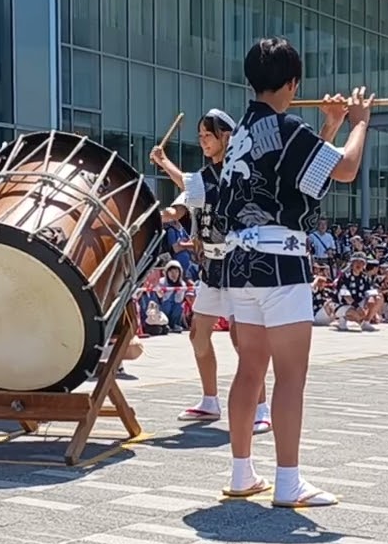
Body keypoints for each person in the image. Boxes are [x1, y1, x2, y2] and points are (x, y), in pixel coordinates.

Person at [213, 37, 372, 508]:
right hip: (281, 262)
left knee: (249, 371)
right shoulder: (287, 127)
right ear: (292, 82)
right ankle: (287, 481)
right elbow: (343, 170)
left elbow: (303, 175)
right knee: (290, 375)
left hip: (240, 263)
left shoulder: (240, 133)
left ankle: (242, 473)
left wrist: (330, 125)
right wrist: (359, 125)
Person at [150, 109, 272, 433]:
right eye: (201, 136)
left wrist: (163, 162)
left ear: (226, 137)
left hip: (241, 267)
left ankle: (261, 407)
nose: (203, 140)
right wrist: (153, 214)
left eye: (208, 135)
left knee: (240, 338)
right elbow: (178, 208)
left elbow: (191, 185)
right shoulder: (201, 179)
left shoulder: (240, 173)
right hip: (211, 268)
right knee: (198, 334)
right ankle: (209, 401)